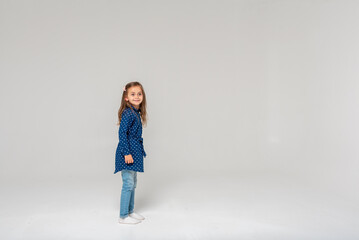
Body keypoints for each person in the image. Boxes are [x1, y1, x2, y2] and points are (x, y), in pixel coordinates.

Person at [114, 81, 148, 224]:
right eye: (133, 94)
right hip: (126, 153)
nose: (136, 96)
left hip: (134, 152)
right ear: (126, 97)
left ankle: (130, 211)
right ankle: (123, 216)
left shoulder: (136, 112)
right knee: (128, 183)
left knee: (133, 183)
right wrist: (126, 153)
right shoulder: (128, 113)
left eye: (139, 94)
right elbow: (122, 134)